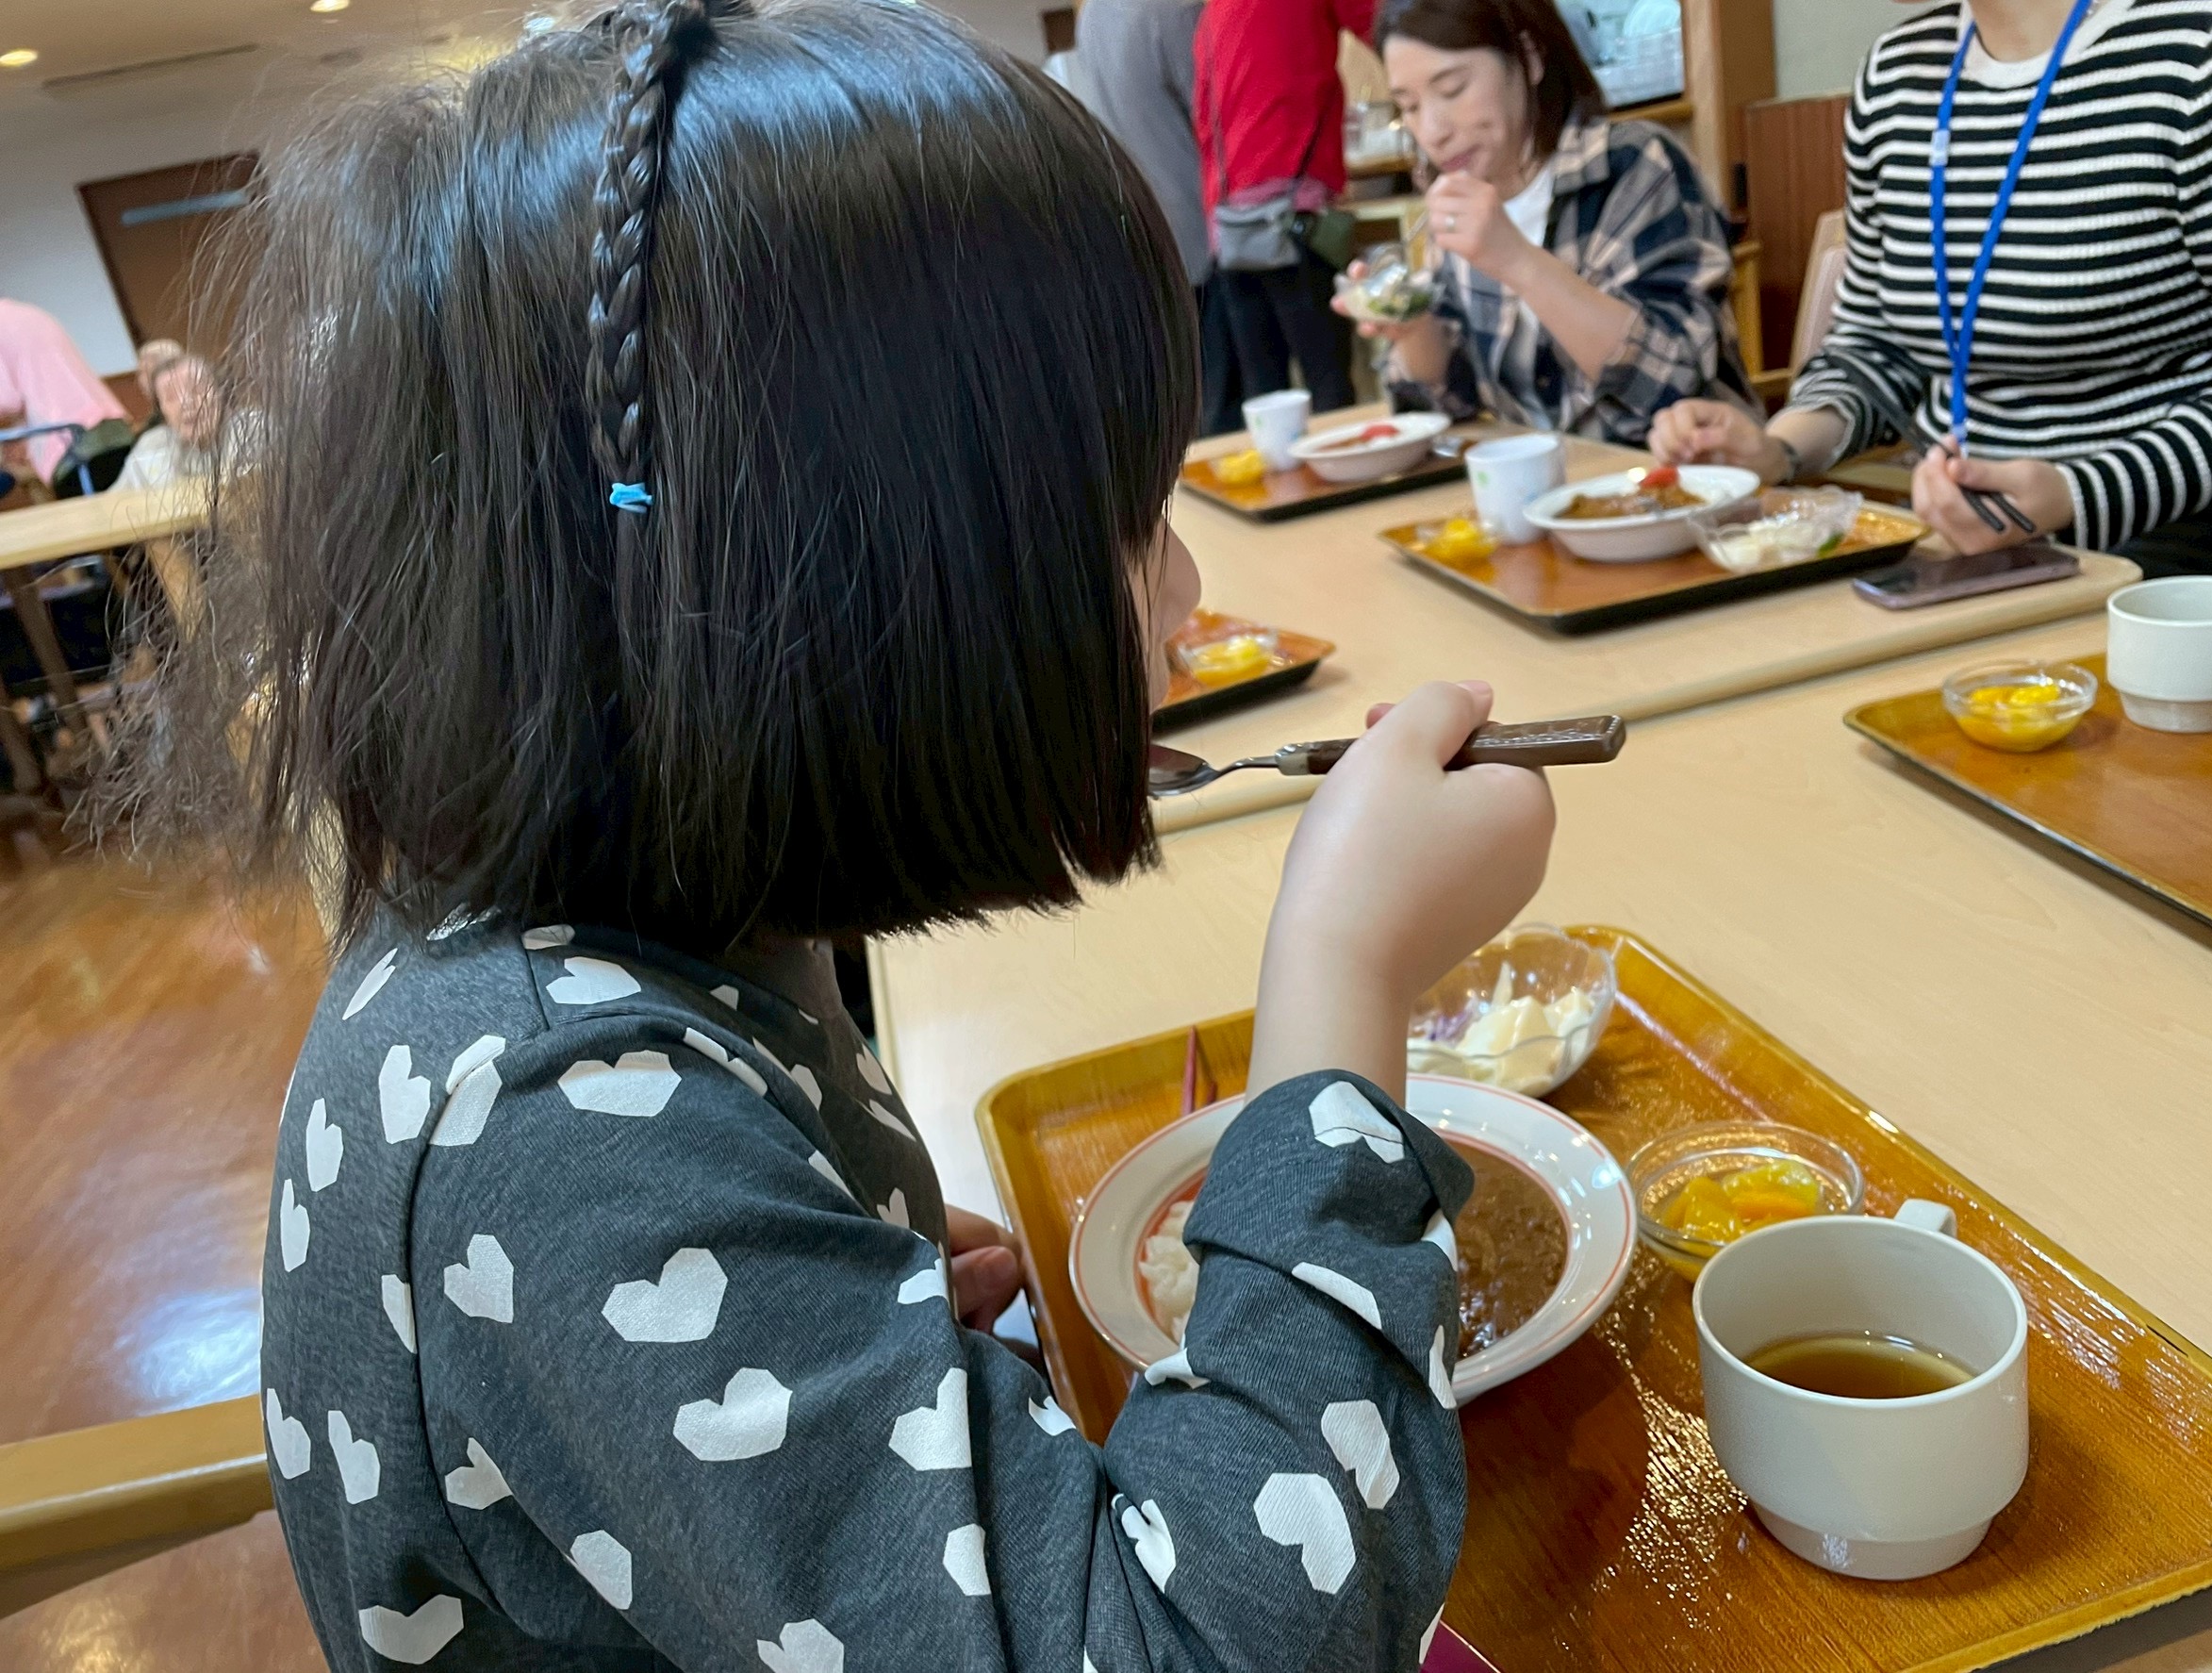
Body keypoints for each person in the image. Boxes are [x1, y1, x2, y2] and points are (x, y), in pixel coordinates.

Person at [126, 3, 1560, 1668]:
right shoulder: (546, 1124)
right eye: (1124, 520)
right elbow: (1209, 1645)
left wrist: (820, 1271)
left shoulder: (616, 913)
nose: (1180, 593)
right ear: (838, 590)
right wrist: (1339, 978)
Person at [1650, 0, 2212, 572]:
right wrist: (1779, 449)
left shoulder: (2198, 55)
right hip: (1951, 537)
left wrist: (2077, 492)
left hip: (2168, 551)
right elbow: (1876, 343)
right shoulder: (1895, 76)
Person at [1353, 0, 1754, 443]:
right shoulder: (1454, 205)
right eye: (1407, 107)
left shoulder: (1634, 167)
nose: (1432, 131)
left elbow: (1672, 383)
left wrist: (1519, 262)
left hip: (1681, 483)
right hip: (1540, 498)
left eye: (1452, 89)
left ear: (1529, 58)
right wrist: (1413, 329)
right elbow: (1453, 406)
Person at [1071, 0, 1246, 434]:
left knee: (1185, 395)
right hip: (1196, 226)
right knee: (1226, 402)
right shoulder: (1173, 9)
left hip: (1138, 224)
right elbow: (1212, 109)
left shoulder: (1094, 12)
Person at [1195, 0, 1372, 412]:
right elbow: (1392, 28)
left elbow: (1204, 121)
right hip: (1294, 214)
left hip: (1230, 227)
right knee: (1329, 386)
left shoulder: (1213, 12)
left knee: (1266, 399)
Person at [0, 297, 131, 492]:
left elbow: (7, 398)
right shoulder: (26, 313)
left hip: (72, 443)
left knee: (99, 518)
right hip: (110, 425)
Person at [113, 355, 223, 490]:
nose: (186, 403)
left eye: (196, 389)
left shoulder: (251, 432)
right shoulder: (152, 445)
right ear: (162, 411)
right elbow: (114, 502)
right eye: (171, 397)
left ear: (220, 392)